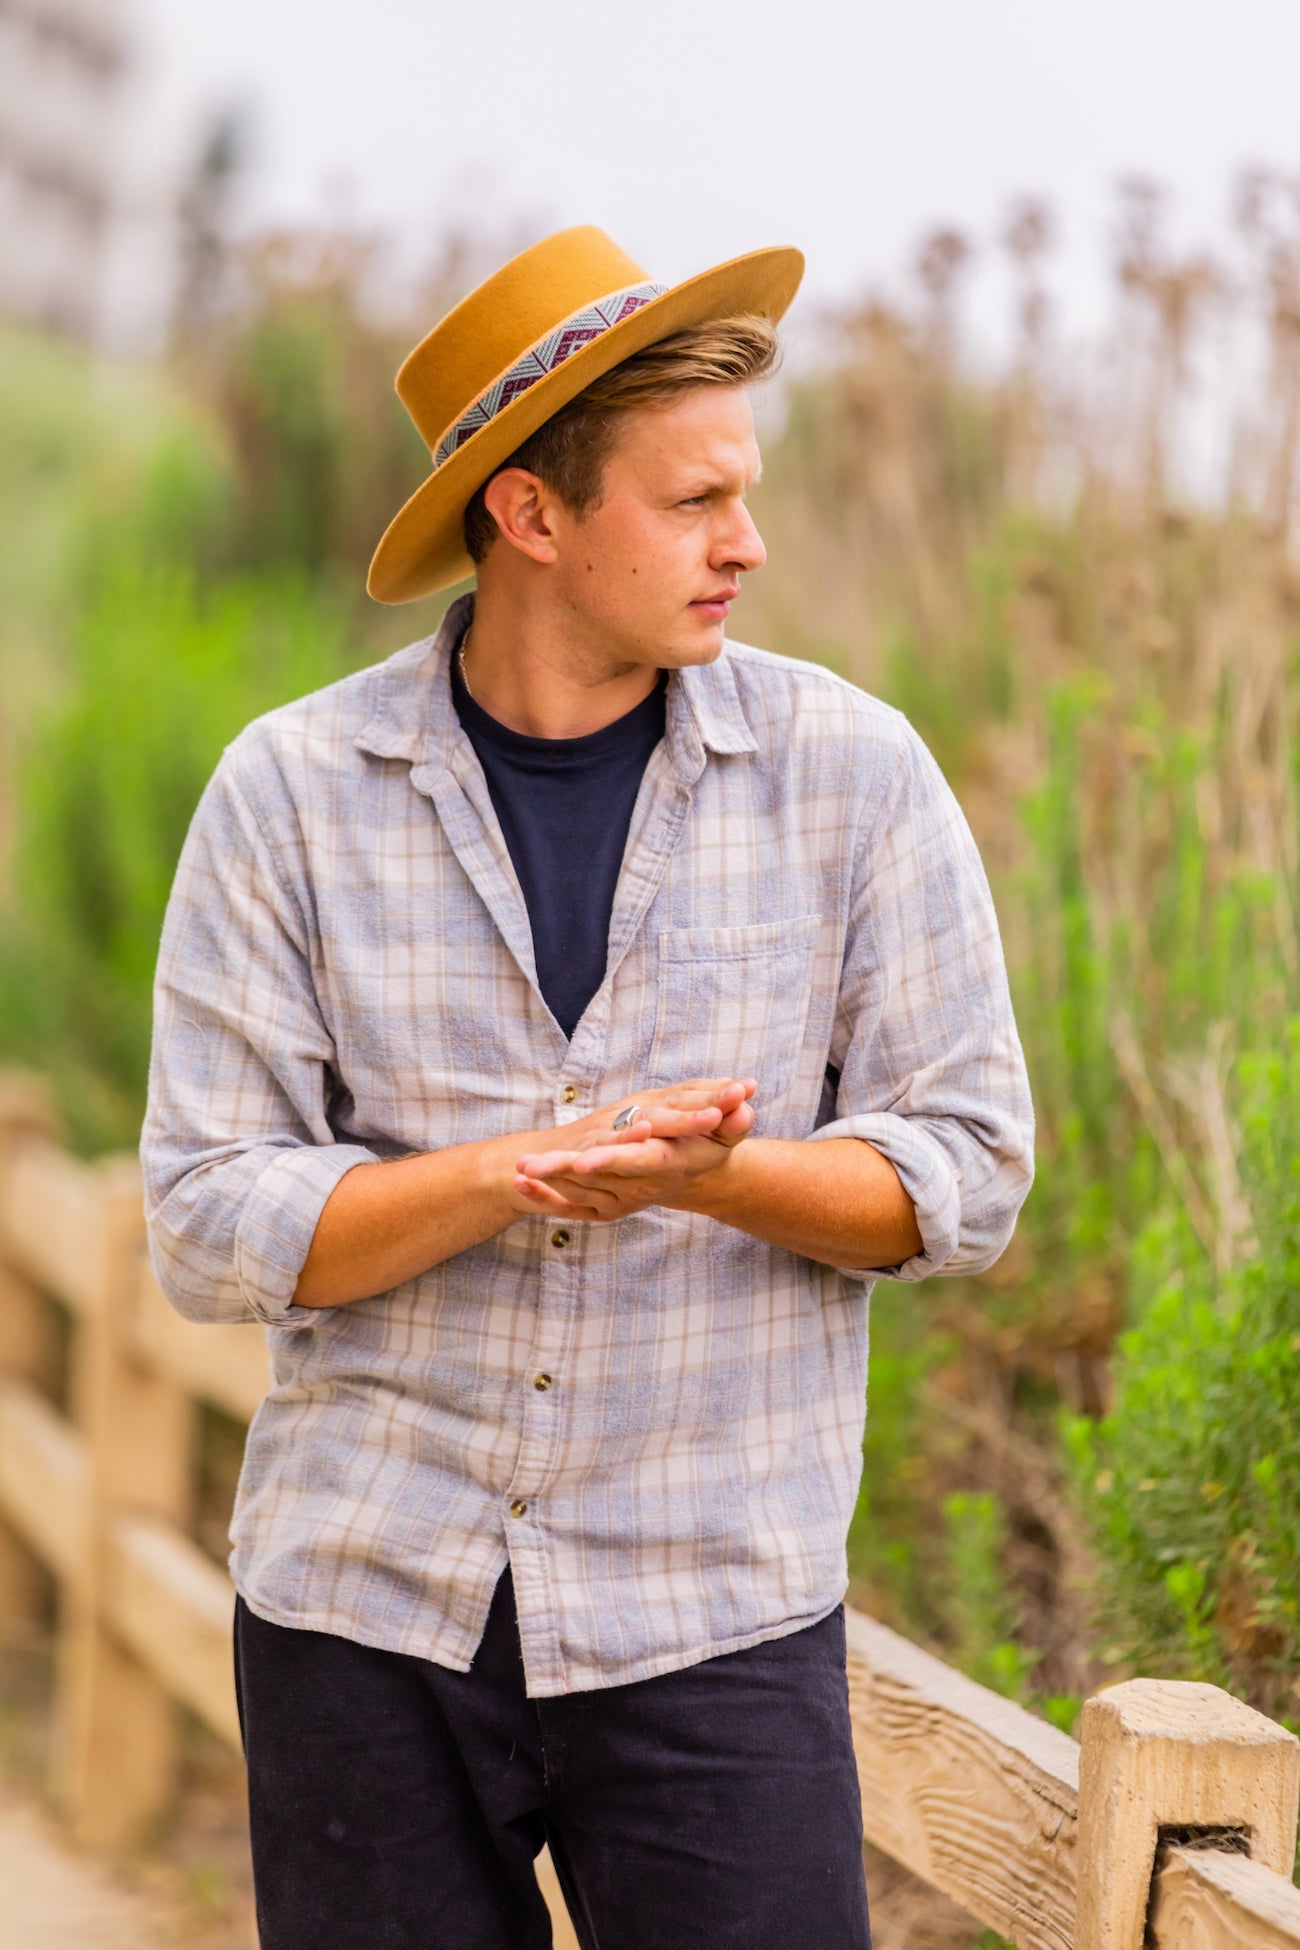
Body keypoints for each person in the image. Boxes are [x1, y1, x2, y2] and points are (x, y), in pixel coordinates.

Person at [142, 225, 1034, 1950]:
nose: (747, 543)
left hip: (716, 1618)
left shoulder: (856, 779)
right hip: (361, 1614)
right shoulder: (291, 795)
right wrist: (509, 1173)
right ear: (532, 517)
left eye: (744, 492)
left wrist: (713, 1177)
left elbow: (970, 1171)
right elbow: (201, 1216)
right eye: (693, 502)